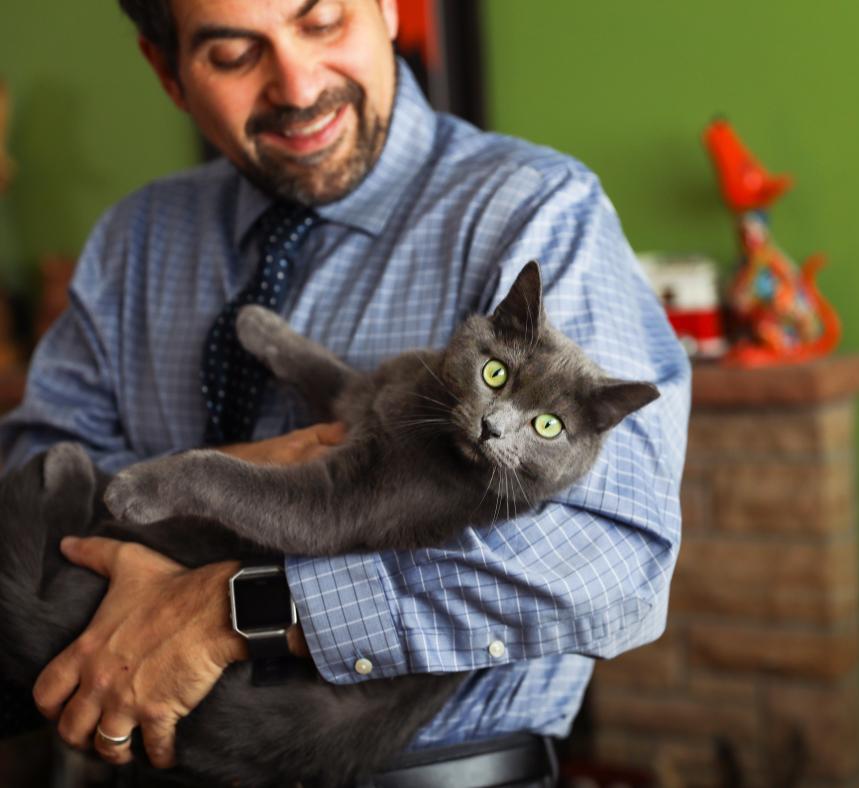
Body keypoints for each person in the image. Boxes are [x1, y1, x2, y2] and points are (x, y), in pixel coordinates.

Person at [0, 0, 690, 785]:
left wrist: (238, 608)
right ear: (167, 72)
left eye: (323, 22)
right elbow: (34, 462)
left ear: (392, 9)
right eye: (234, 55)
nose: (297, 85)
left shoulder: (535, 209)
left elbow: (612, 563)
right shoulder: (137, 236)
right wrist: (210, 497)